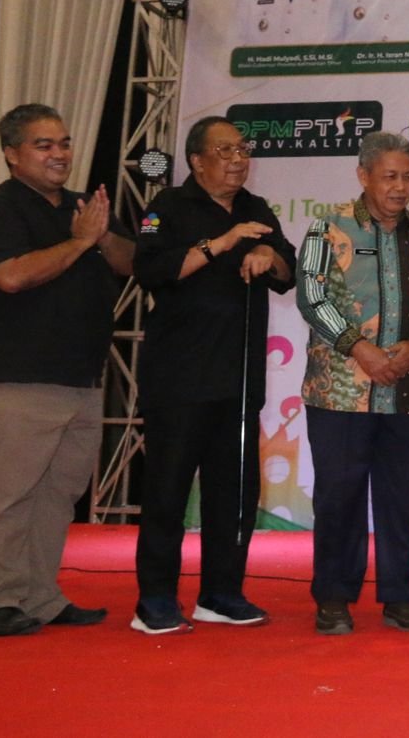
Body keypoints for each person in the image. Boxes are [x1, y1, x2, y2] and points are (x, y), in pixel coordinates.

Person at [131, 116, 296, 635]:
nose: (238, 160)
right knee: (167, 494)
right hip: (179, 381)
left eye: (243, 150)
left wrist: (268, 253)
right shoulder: (166, 207)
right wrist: (220, 244)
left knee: (234, 495)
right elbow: (149, 271)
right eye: (225, 151)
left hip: (239, 380)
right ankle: (155, 601)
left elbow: (288, 271)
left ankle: (221, 594)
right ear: (197, 160)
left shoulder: (256, 208)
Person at [295, 132, 409, 635]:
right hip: (341, 393)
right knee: (338, 498)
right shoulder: (328, 229)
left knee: (402, 501)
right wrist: (358, 348)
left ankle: (400, 597)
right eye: (389, 176)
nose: (400, 187)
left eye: (408, 176)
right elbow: (311, 296)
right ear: (363, 176)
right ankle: (333, 598)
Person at [0, 104, 133, 636]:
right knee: (8, 497)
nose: (60, 154)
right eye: (44, 144)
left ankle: (40, 597)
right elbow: (10, 277)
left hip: (83, 378)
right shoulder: (1, 207)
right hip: (21, 378)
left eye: (65, 143)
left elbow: (131, 263)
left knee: (57, 497)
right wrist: (78, 242)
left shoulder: (83, 205)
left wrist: (101, 235)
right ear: (12, 153)